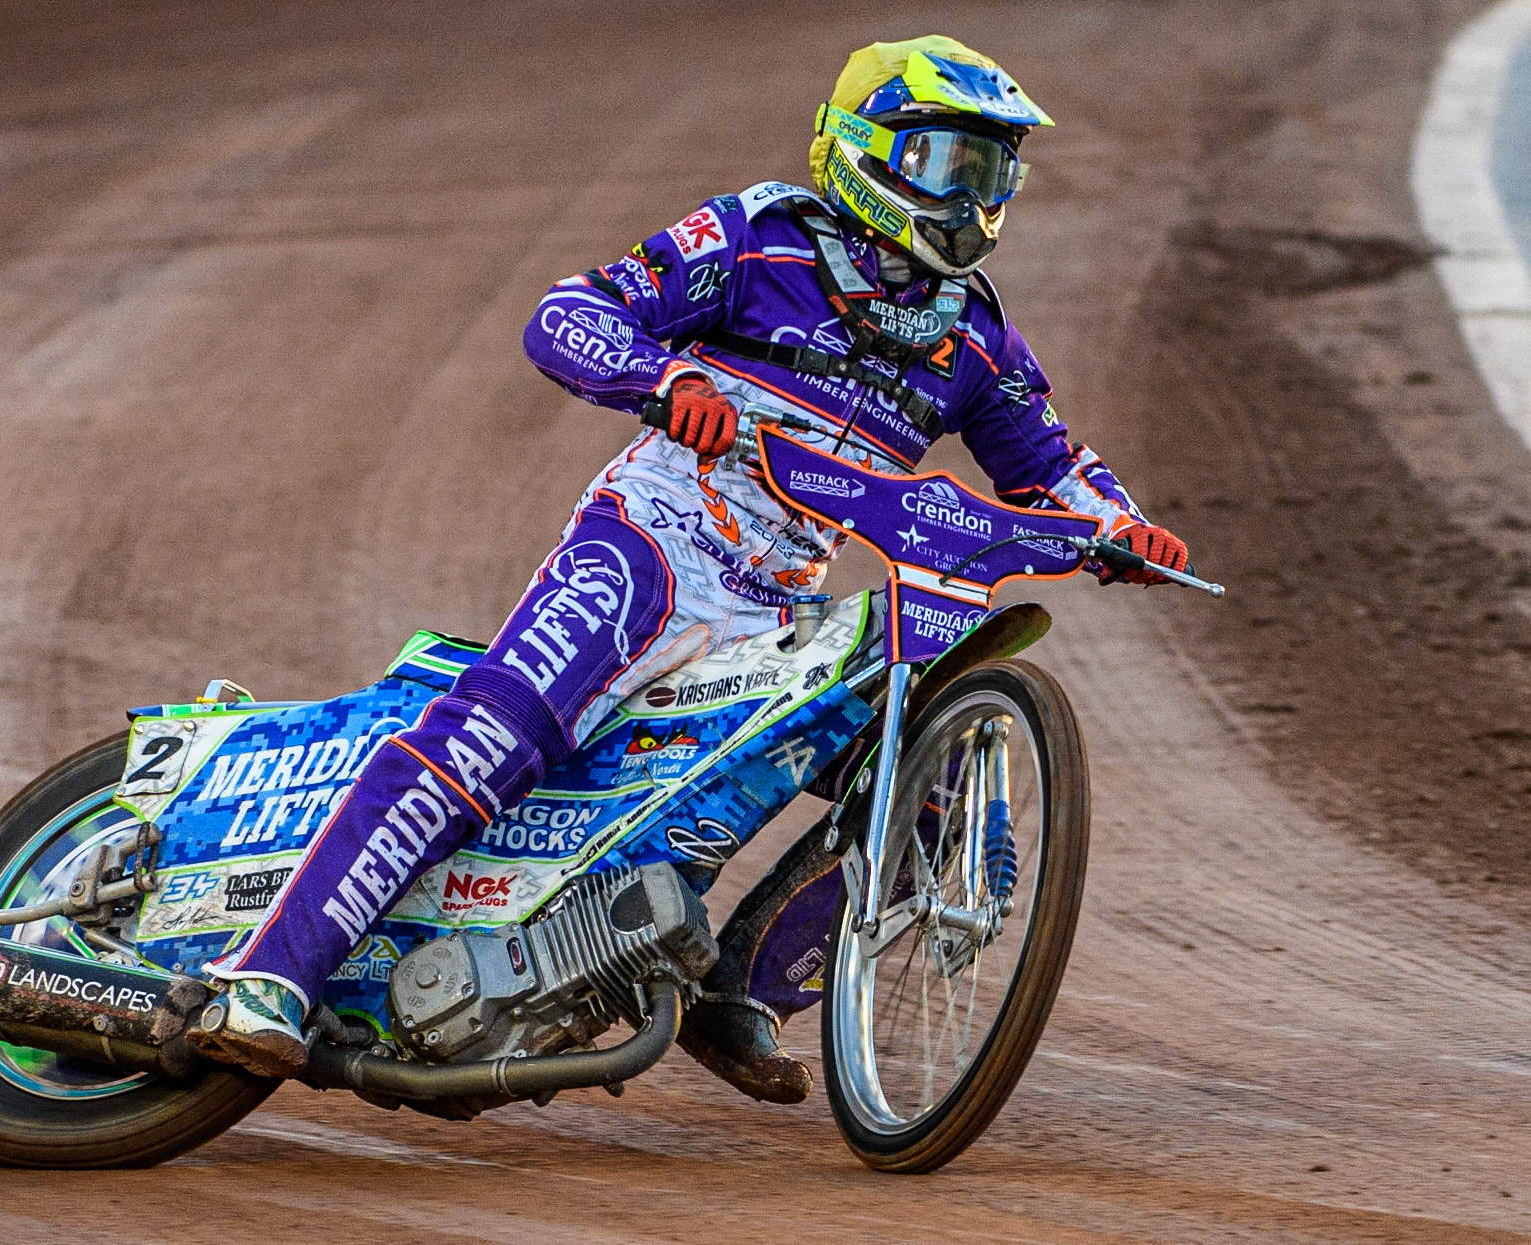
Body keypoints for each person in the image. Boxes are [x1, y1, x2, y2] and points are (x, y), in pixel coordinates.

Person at [188, 36, 1190, 1098]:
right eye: (950, 164)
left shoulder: (975, 336)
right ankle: (268, 977)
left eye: (991, 174)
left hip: (777, 607)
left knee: (922, 768)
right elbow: (569, 311)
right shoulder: (758, 237)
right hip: (652, 539)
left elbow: (1052, 467)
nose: (971, 197)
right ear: (867, 152)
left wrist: (1121, 529)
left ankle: (738, 991)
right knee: (492, 734)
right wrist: (660, 378)